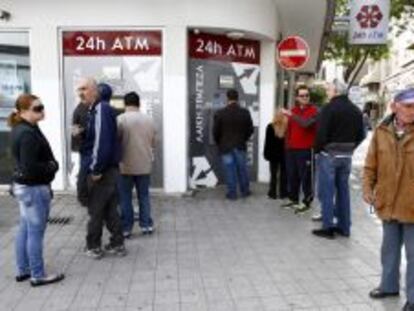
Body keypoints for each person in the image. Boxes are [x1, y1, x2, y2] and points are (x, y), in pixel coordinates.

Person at [363, 88, 414, 311]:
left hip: (412, 204)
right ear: (395, 106)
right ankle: (389, 285)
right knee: (389, 249)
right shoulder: (381, 131)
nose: (413, 111)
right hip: (387, 201)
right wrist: (367, 187)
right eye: (409, 106)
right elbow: (370, 163)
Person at [8, 94, 64, 287]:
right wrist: (52, 166)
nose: (42, 111)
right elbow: (30, 168)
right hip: (33, 189)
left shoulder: (25, 128)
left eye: (42, 107)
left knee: (25, 229)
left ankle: (24, 270)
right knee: (35, 232)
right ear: (23, 111)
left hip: (26, 188)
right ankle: (38, 275)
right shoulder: (27, 134)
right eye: (37, 108)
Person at [77, 77, 126, 259]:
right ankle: (117, 244)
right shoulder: (99, 110)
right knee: (110, 209)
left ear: (95, 91)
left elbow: (101, 142)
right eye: (79, 89)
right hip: (110, 170)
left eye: (84, 88)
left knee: (96, 210)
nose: (80, 93)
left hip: (102, 171)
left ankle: (93, 246)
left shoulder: (100, 109)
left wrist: (96, 169)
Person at [312, 80, 365, 239]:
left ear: (335, 91)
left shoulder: (328, 108)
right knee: (343, 192)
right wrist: (350, 148)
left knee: (327, 192)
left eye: (329, 89)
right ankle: (344, 227)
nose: (327, 92)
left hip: (329, 156)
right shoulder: (356, 110)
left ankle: (328, 227)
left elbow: (321, 134)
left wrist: (318, 150)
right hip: (346, 157)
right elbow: (361, 135)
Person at [117, 92, 156, 237]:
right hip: (144, 164)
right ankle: (146, 225)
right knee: (144, 196)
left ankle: (126, 228)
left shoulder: (120, 119)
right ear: (138, 103)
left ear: (125, 104)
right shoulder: (149, 120)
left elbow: (116, 142)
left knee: (125, 197)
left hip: (125, 165)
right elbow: (153, 142)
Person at [282, 85, 318, 213]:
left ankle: (307, 202)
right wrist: (287, 147)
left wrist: (291, 115)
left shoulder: (314, 110)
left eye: (307, 95)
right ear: (297, 97)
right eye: (302, 95)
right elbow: (288, 131)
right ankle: (293, 199)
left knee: (306, 177)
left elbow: (306, 124)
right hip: (292, 150)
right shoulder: (294, 110)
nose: (305, 98)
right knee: (292, 176)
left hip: (306, 150)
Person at [213, 89, 254, 200]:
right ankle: (245, 191)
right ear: (237, 98)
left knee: (229, 170)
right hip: (240, 145)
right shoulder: (245, 112)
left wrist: (219, 142)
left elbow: (215, 131)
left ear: (227, 98)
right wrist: (243, 139)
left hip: (225, 147)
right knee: (242, 169)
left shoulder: (220, 113)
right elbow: (250, 129)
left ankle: (232, 194)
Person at [263, 110, 288, 200]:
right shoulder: (287, 128)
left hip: (273, 155)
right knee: (284, 175)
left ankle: (272, 193)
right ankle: (283, 193)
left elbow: (267, 143)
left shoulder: (270, 127)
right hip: (284, 154)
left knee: (273, 175)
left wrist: (266, 154)